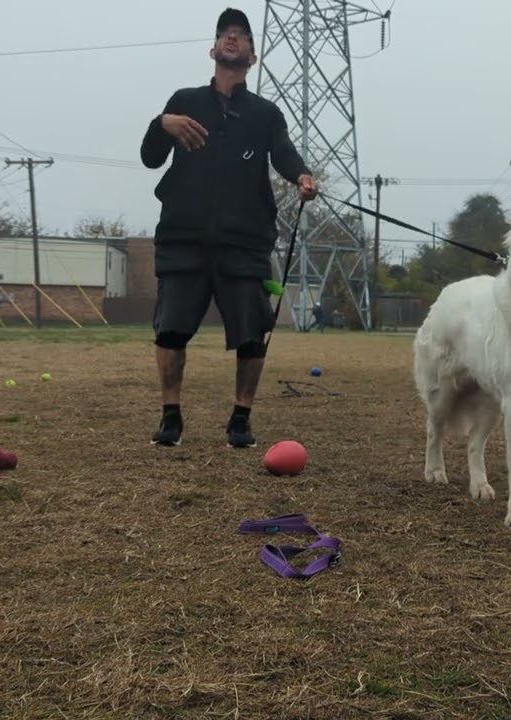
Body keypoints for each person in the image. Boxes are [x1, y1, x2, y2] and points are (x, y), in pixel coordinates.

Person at [140, 7, 318, 448]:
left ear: (253, 57)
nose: (232, 38)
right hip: (184, 238)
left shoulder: (265, 114)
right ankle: (170, 416)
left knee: (251, 334)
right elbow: (149, 157)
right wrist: (162, 124)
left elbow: (284, 153)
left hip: (245, 242)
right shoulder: (184, 101)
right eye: (225, 34)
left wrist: (302, 176)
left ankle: (241, 417)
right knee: (170, 330)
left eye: (240, 35)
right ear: (213, 49)